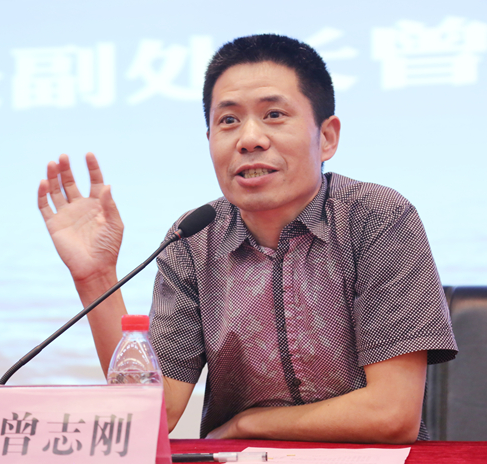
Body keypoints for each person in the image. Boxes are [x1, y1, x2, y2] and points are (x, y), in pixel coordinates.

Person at [38, 34, 457, 444]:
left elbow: (391, 415)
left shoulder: (377, 218)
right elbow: (153, 415)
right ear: (209, 141)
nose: (249, 139)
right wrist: (96, 277)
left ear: (327, 137)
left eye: (274, 114)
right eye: (228, 121)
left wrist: (248, 425)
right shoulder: (193, 240)